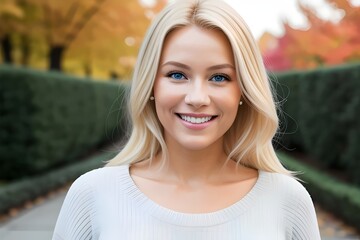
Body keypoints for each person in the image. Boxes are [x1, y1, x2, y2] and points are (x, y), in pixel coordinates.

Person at [52, 0, 321, 239]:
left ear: (244, 91)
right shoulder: (92, 194)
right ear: (151, 86)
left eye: (219, 77)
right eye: (177, 75)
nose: (197, 98)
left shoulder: (287, 200)